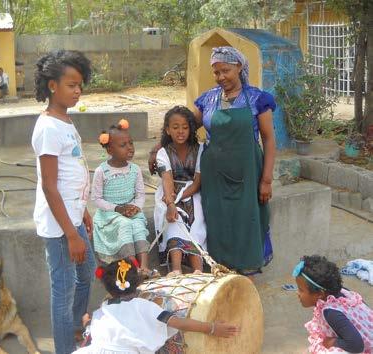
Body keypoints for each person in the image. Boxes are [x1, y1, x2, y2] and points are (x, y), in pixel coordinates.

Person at [149, 46, 276, 276]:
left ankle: (244, 271)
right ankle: (221, 270)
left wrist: (266, 179)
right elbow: (184, 126)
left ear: (239, 67)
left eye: (225, 70)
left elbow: (268, 140)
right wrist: (158, 148)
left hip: (248, 174)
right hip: (214, 176)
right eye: (216, 72)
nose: (221, 77)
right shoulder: (208, 99)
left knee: (246, 220)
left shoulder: (258, 99)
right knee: (217, 222)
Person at [32, 50, 96, 354]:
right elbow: (49, 185)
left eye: (80, 84)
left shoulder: (65, 120)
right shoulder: (48, 127)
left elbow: (72, 172)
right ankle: (65, 348)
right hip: (60, 228)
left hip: (72, 217)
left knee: (87, 270)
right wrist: (71, 234)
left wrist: (82, 211)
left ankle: (74, 329)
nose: (77, 90)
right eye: (71, 85)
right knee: (65, 288)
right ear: (52, 85)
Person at [72, 258, 239, 354]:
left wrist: (87, 321)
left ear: (108, 288)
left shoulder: (104, 307)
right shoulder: (145, 306)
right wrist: (211, 328)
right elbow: (179, 323)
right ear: (138, 282)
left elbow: (95, 328)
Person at [91, 121, 155, 278]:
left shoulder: (135, 170)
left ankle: (144, 267)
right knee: (125, 225)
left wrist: (136, 207)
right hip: (110, 214)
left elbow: (140, 194)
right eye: (123, 145)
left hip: (131, 211)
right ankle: (133, 266)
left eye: (131, 143)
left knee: (138, 225)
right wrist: (117, 209)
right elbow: (97, 199)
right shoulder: (102, 171)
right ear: (109, 149)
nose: (130, 147)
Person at [153, 106, 206, 276]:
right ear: (168, 130)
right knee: (173, 220)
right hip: (170, 193)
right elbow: (167, 179)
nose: (180, 132)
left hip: (193, 191)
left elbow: (197, 183)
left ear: (191, 128)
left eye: (185, 127)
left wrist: (182, 197)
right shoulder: (163, 152)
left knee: (197, 217)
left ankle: (197, 269)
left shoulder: (200, 149)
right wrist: (170, 203)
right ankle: (176, 269)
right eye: (175, 127)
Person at [293, 255, 373, 353]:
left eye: (301, 290)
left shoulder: (331, 313)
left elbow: (356, 345)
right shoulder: (344, 292)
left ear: (319, 294)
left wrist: (332, 342)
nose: (298, 293)